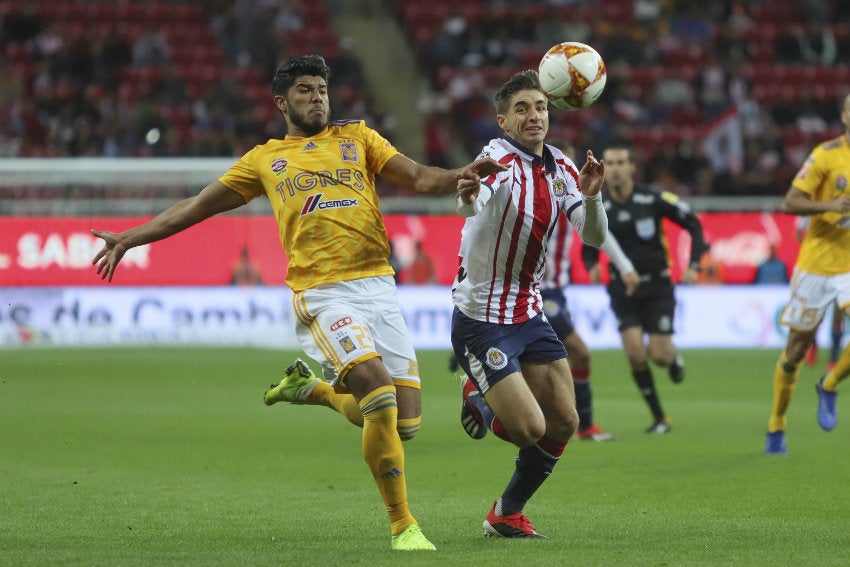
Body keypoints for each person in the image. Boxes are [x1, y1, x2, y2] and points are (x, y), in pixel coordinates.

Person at [90, 54, 507, 551]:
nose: (317, 98)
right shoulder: (264, 159)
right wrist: (131, 238)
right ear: (282, 102)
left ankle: (314, 390)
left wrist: (462, 173)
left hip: (378, 284)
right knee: (378, 396)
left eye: (322, 90)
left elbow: (417, 177)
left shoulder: (358, 139)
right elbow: (198, 206)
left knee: (407, 422)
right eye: (306, 90)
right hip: (322, 292)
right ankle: (404, 526)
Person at [450, 69, 607, 538]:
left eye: (540, 107)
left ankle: (506, 513)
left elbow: (593, 237)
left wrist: (594, 198)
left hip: (529, 311)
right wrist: (469, 193)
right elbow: (475, 201)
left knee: (565, 421)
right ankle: (476, 392)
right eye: (522, 109)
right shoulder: (496, 157)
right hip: (481, 318)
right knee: (527, 429)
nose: (534, 115)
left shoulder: (561, 166)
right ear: (503, 121)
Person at [581, 145, 708, 434]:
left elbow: (694, 225)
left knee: (659, 356)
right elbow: (589, 241)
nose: (613, 168)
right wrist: (592, 265)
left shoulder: (653, 198)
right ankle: (660, 418)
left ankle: (673, 357)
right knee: (636, 354)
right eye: (609, 163)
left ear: (631, 168)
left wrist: (694, 264)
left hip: (658, 286)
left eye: (620, 163)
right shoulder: (598, 206)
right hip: (622, 288)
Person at [765, 93, 850, 455]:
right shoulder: (826, 154)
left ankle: (830, 384)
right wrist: (829, 205)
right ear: (845, 115)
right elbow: (790, 202)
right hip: (816, 263)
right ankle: (777, 424)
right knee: (796, 349)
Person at [539, 144, 637, 442]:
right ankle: (583, 425)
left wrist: (624, 266)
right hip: (538, 291)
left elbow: (598, 235)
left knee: (548, 360)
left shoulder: (574, 195)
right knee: (579, 353)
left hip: (556, 289)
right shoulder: (537, 193)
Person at [795, 216, 844, 371]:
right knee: (816, 312)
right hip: (818, 270)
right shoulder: (812, 209)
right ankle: (813, 345)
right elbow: (798, 232)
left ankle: (833, 358)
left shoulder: (843, 208)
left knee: (838, 313)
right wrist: (810, 252)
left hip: (840, 269)